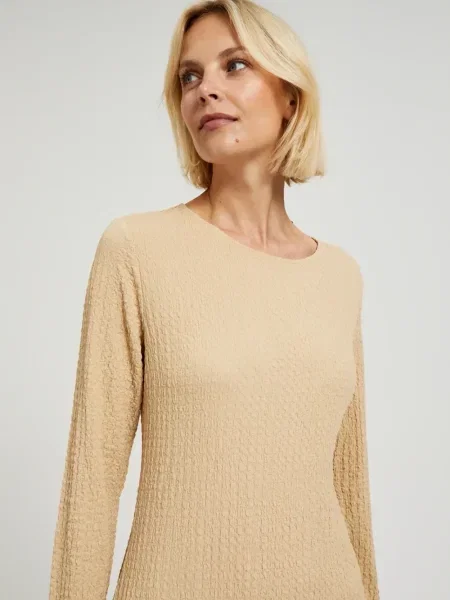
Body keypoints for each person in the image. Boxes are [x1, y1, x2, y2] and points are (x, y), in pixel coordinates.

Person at [48, 1, 381, 599]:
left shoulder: (339, 276)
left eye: (236, 65)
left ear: (290, 96)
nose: (206, 90)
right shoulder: (137, 250)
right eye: (190, 76)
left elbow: (349, 483)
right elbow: (91, 479)